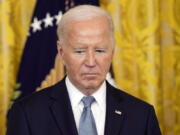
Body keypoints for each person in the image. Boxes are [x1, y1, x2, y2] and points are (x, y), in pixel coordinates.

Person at [6, 5, 161, 135]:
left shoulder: (142, 116)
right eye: (80, 51)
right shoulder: (26, 113)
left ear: (112, 52)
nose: (91, 62)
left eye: (100, 50)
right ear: (61, 52)